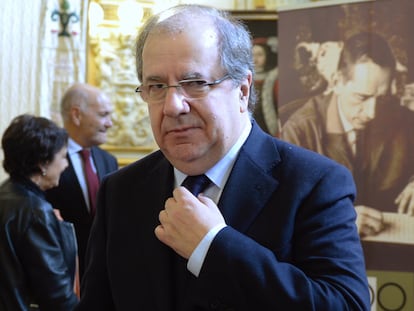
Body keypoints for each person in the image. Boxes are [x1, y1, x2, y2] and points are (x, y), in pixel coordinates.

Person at [76, 5, 370, 311]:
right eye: (157, 87)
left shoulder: (313, 183)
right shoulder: (121, 191)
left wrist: (213, 246)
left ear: (242, 90)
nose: (173, 106)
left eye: (195, 83)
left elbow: (345, 304)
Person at [281, 32, 414, 237]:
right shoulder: (300, 130)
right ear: (337, 82)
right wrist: (338, 218)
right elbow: (283, 206)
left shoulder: (403, 118)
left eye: (382, 97)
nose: (372, 113)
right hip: (324, 251)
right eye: (361, 97)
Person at [0, 114, 79, 310]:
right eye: (62, 157)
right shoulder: (35, 212)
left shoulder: (5, 193)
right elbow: (57, 296)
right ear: (43, 163)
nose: (66, 164)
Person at [45, 83, 118, 279]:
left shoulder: (108, 161)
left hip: (102, 272)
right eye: (103, 115)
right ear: (76, 115)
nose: (110, 123)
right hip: (60, 272)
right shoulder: (46, 158)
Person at [252, 38, 279, 136]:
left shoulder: (273, 78)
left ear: (267, 56)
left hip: (267, 124)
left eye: (259, 55)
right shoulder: (243, 78)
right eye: (252, 55)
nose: (255, 59)